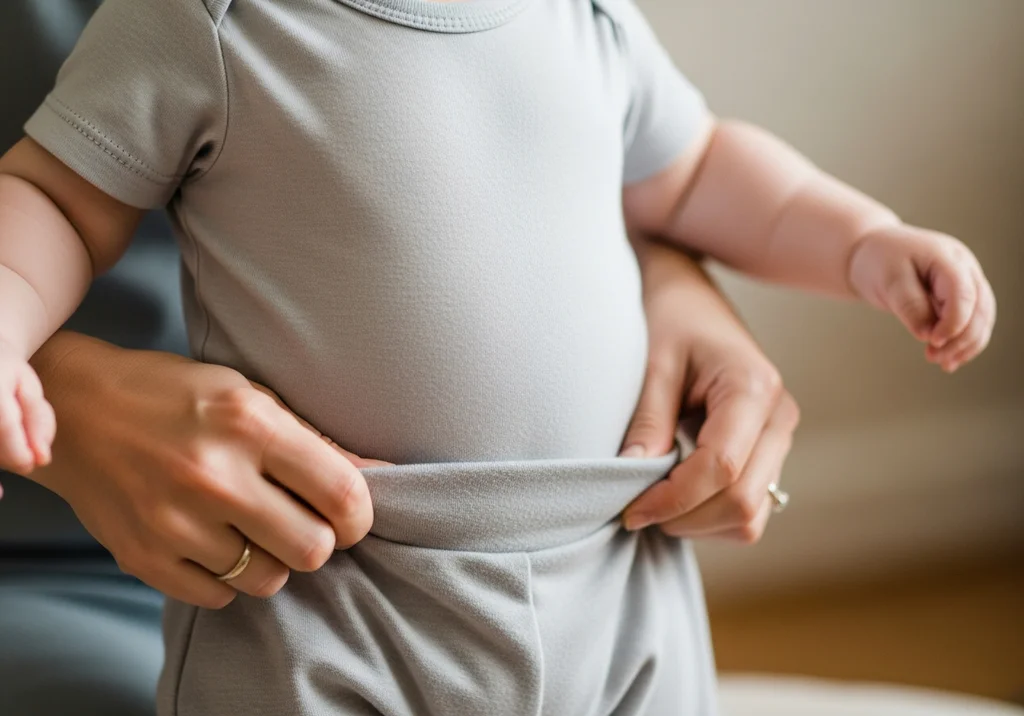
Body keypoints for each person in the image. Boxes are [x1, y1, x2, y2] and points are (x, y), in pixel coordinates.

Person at [0, 0, 993, 714]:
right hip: (330, 574)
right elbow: (51, 200)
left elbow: (694, 171)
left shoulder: (586, 17)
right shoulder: (207, 22)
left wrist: (863, 241)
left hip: (610, 561)